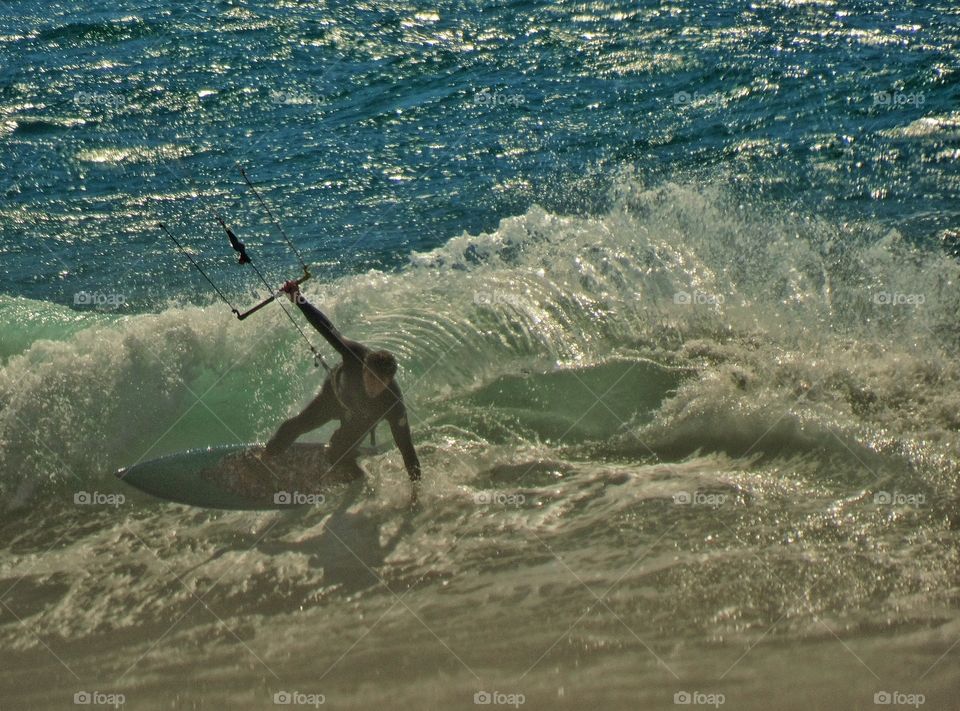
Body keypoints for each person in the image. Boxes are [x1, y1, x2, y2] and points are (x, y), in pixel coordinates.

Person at [264, 281, 421, 482]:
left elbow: (407, 448)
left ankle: (355, 477)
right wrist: (297, 298)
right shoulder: (355, 355)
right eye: (370, 377)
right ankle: (266, 459)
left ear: (389, 380)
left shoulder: (392, 403)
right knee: (298, 425)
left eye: (381, 382)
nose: (374, 386)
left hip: (362, 417)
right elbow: (326, 327)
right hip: (334, 397)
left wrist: (415, 493)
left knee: (338, 455)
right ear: (364, 368)